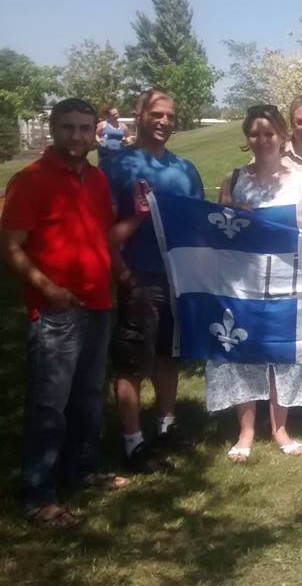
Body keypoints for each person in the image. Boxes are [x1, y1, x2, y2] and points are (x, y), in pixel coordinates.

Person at [1, 98, 129, 527]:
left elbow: (100, 235)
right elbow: (10, 247)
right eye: (68, 127)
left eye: (84, 128)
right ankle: (38, 494)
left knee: (89, 395)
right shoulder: (30, 180)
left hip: (97, 302)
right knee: (49, 404)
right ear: (53, 129)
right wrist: (47, 288)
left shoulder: (96, 179)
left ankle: (83, 469)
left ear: (96, 132)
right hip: (56, 309)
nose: (77, 135)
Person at [208, 104, 302, 460]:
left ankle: (280, 428)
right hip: (243, 278)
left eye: (269, 133)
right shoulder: (234, 178)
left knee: (282, 351)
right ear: (248, 138)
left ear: (282, 136)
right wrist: (231, 214)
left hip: (288, 277)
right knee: (243, 351)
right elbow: (218, 230)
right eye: (255, 134)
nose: (262, 140)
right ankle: (245, 432)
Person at [103, 89, 204, 474]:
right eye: (157, 114)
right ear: (139, 114)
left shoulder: (185, 169)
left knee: (168, 354)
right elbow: (103, 228)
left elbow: (198, 220)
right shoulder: (117, 166)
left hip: (177, 276)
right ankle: (132, 442)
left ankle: (166, 425)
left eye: (170, 116)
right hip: (137, 275)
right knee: (131, 361)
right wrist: (121, 273)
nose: (164, 121)